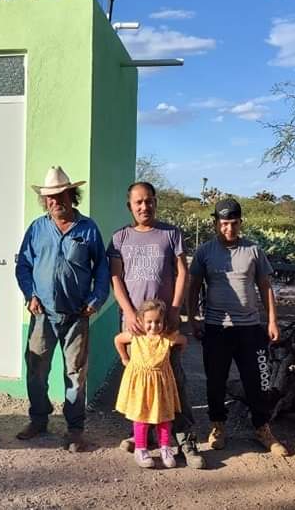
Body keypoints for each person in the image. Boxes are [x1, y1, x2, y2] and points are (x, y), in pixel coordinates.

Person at [107, 181, 204, 468]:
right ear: (130, 206)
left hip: (165, 324)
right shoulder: (119, 238)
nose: (144, 206)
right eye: (138, 202)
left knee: (175, 381)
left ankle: (187, 441)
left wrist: (175, 310)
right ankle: (144, 438)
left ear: (155, 203)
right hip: (136, 326)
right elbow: (115, 278)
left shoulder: (171, 234)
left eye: (148, 201)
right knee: (141, 382)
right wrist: (128, 312)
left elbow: (182, 273)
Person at [15, 166, 110, 453]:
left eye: (61, 195)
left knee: (75, 374)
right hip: (42, 314)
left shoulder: (88, 228)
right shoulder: (37, 228)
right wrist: (29, 295)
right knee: (36, 370)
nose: (56, 201)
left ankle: (74, 429)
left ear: (72, 195)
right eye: (50, 197)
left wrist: (95, 300)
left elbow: (102, 270)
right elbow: (23, 266)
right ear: (45, 201)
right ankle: (39, 419)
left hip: (76, 315)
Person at [188, 199, 289, 457]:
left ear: (240, 223)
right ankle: (217, 426)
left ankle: (262, 428)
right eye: (223, 224)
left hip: (250, 329)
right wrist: (193, 318)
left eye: (233, 223)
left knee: (258, 381)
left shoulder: (254, 250)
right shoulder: (205, 252)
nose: (229, 229)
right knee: (215, 381)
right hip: (216, 327)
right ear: (215, 224)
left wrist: (272, 321)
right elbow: (194, 286)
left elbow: (265, 287)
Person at [114, 300, 185, 468]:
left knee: (164, 417)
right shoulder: (136, 336)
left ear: (163, 322)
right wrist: (125, 358)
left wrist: (176, 356)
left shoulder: (167, 338)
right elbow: (118, 340)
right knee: (142, 417)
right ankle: (141, 449)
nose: (153, 326)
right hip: (141, 386)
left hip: (161, 384)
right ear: (141, 321)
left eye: (158, 322)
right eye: (149, 322)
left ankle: (165, 448)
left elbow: (182, 341)